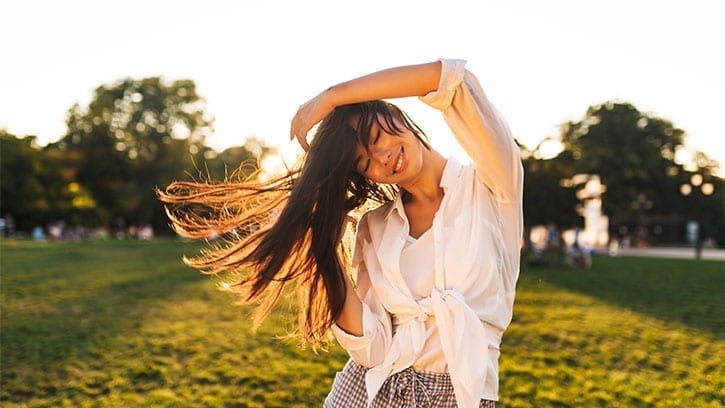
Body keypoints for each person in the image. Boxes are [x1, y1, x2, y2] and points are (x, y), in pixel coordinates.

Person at [157, 58, 523, 408]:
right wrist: (324, 251)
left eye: (378, 135)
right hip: (366, 390)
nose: (382, 157)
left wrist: (334, 96)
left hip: (458, 395)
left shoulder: (492, 185)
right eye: (364, 162)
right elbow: (374, 346)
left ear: (397, 114)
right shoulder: (376, 227)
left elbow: (452, 80)